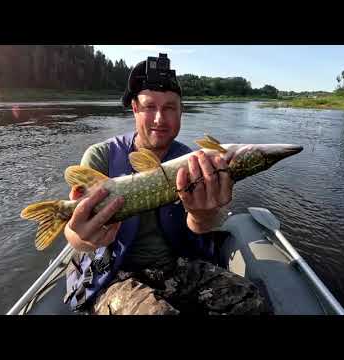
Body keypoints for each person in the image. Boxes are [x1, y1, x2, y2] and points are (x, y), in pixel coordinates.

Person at [63, 53, 273, 315]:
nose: (160, 119)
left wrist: (202, 214)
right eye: (150, 107)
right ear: (135, 109)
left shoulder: (198, 162)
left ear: (181, 111)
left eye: (170, 108)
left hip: (176, 266)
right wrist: (81, 236)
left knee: (253, 303)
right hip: (116, 272)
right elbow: (75, 234)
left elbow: (202, 228)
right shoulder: (101, 156)